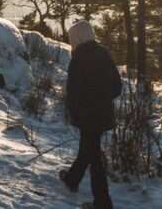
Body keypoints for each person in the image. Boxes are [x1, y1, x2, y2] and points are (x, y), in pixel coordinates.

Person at [59, 20, 122, 209]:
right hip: (104, 114)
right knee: (88, 149)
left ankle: (103, 203)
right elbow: (117, 87)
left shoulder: (78, 59)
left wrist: (76, 111)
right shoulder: (104, 53)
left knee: (94, 157)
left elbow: (74, 93)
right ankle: (71, 179)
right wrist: (103, 100)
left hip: (88, 116)